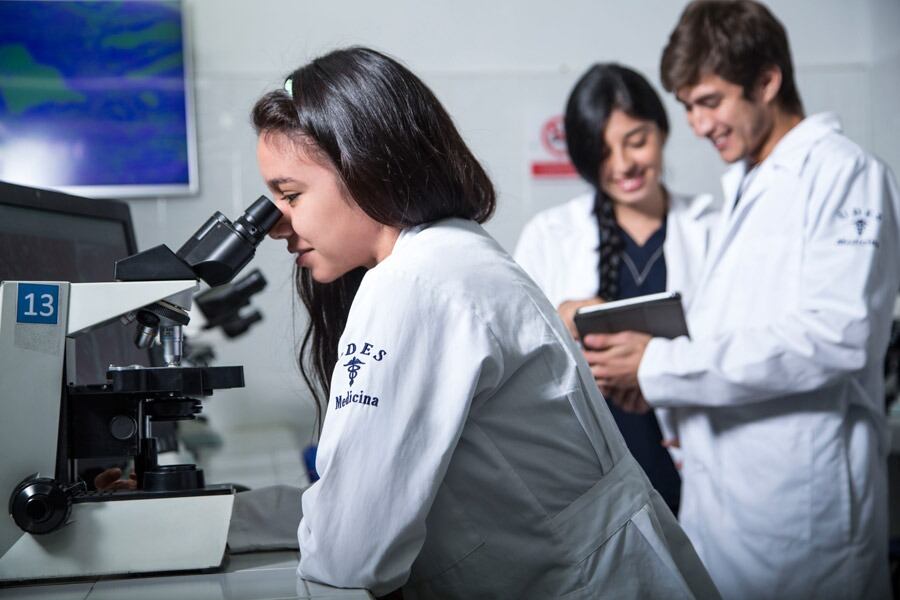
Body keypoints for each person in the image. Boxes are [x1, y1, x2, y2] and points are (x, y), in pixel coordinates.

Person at [253, 47, 719, 598]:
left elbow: (348, 552)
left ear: (366, 167)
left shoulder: (414, 284)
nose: (276, 228)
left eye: (290, 195)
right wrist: (230, 518)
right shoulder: (451, 251)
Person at [590, 2, 900, 598]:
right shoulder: (750, 185)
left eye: (709, 101)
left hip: (805, 520)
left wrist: (659, 364)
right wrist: (664, 387)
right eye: (686, 107)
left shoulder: (845, 175)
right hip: (728, 509)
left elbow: (838, 337)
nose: (699, 125)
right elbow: (736, 333)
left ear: (766, 81)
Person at [514, 63, 718, 516]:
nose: (623, 165)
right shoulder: (550, 235)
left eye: (637, 140)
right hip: (589, 469)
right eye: (603, 151)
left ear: (662, 131)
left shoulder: (712, 231)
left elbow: (731, 346)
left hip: (692, 457)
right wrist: (560, 320)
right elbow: (511, 358)